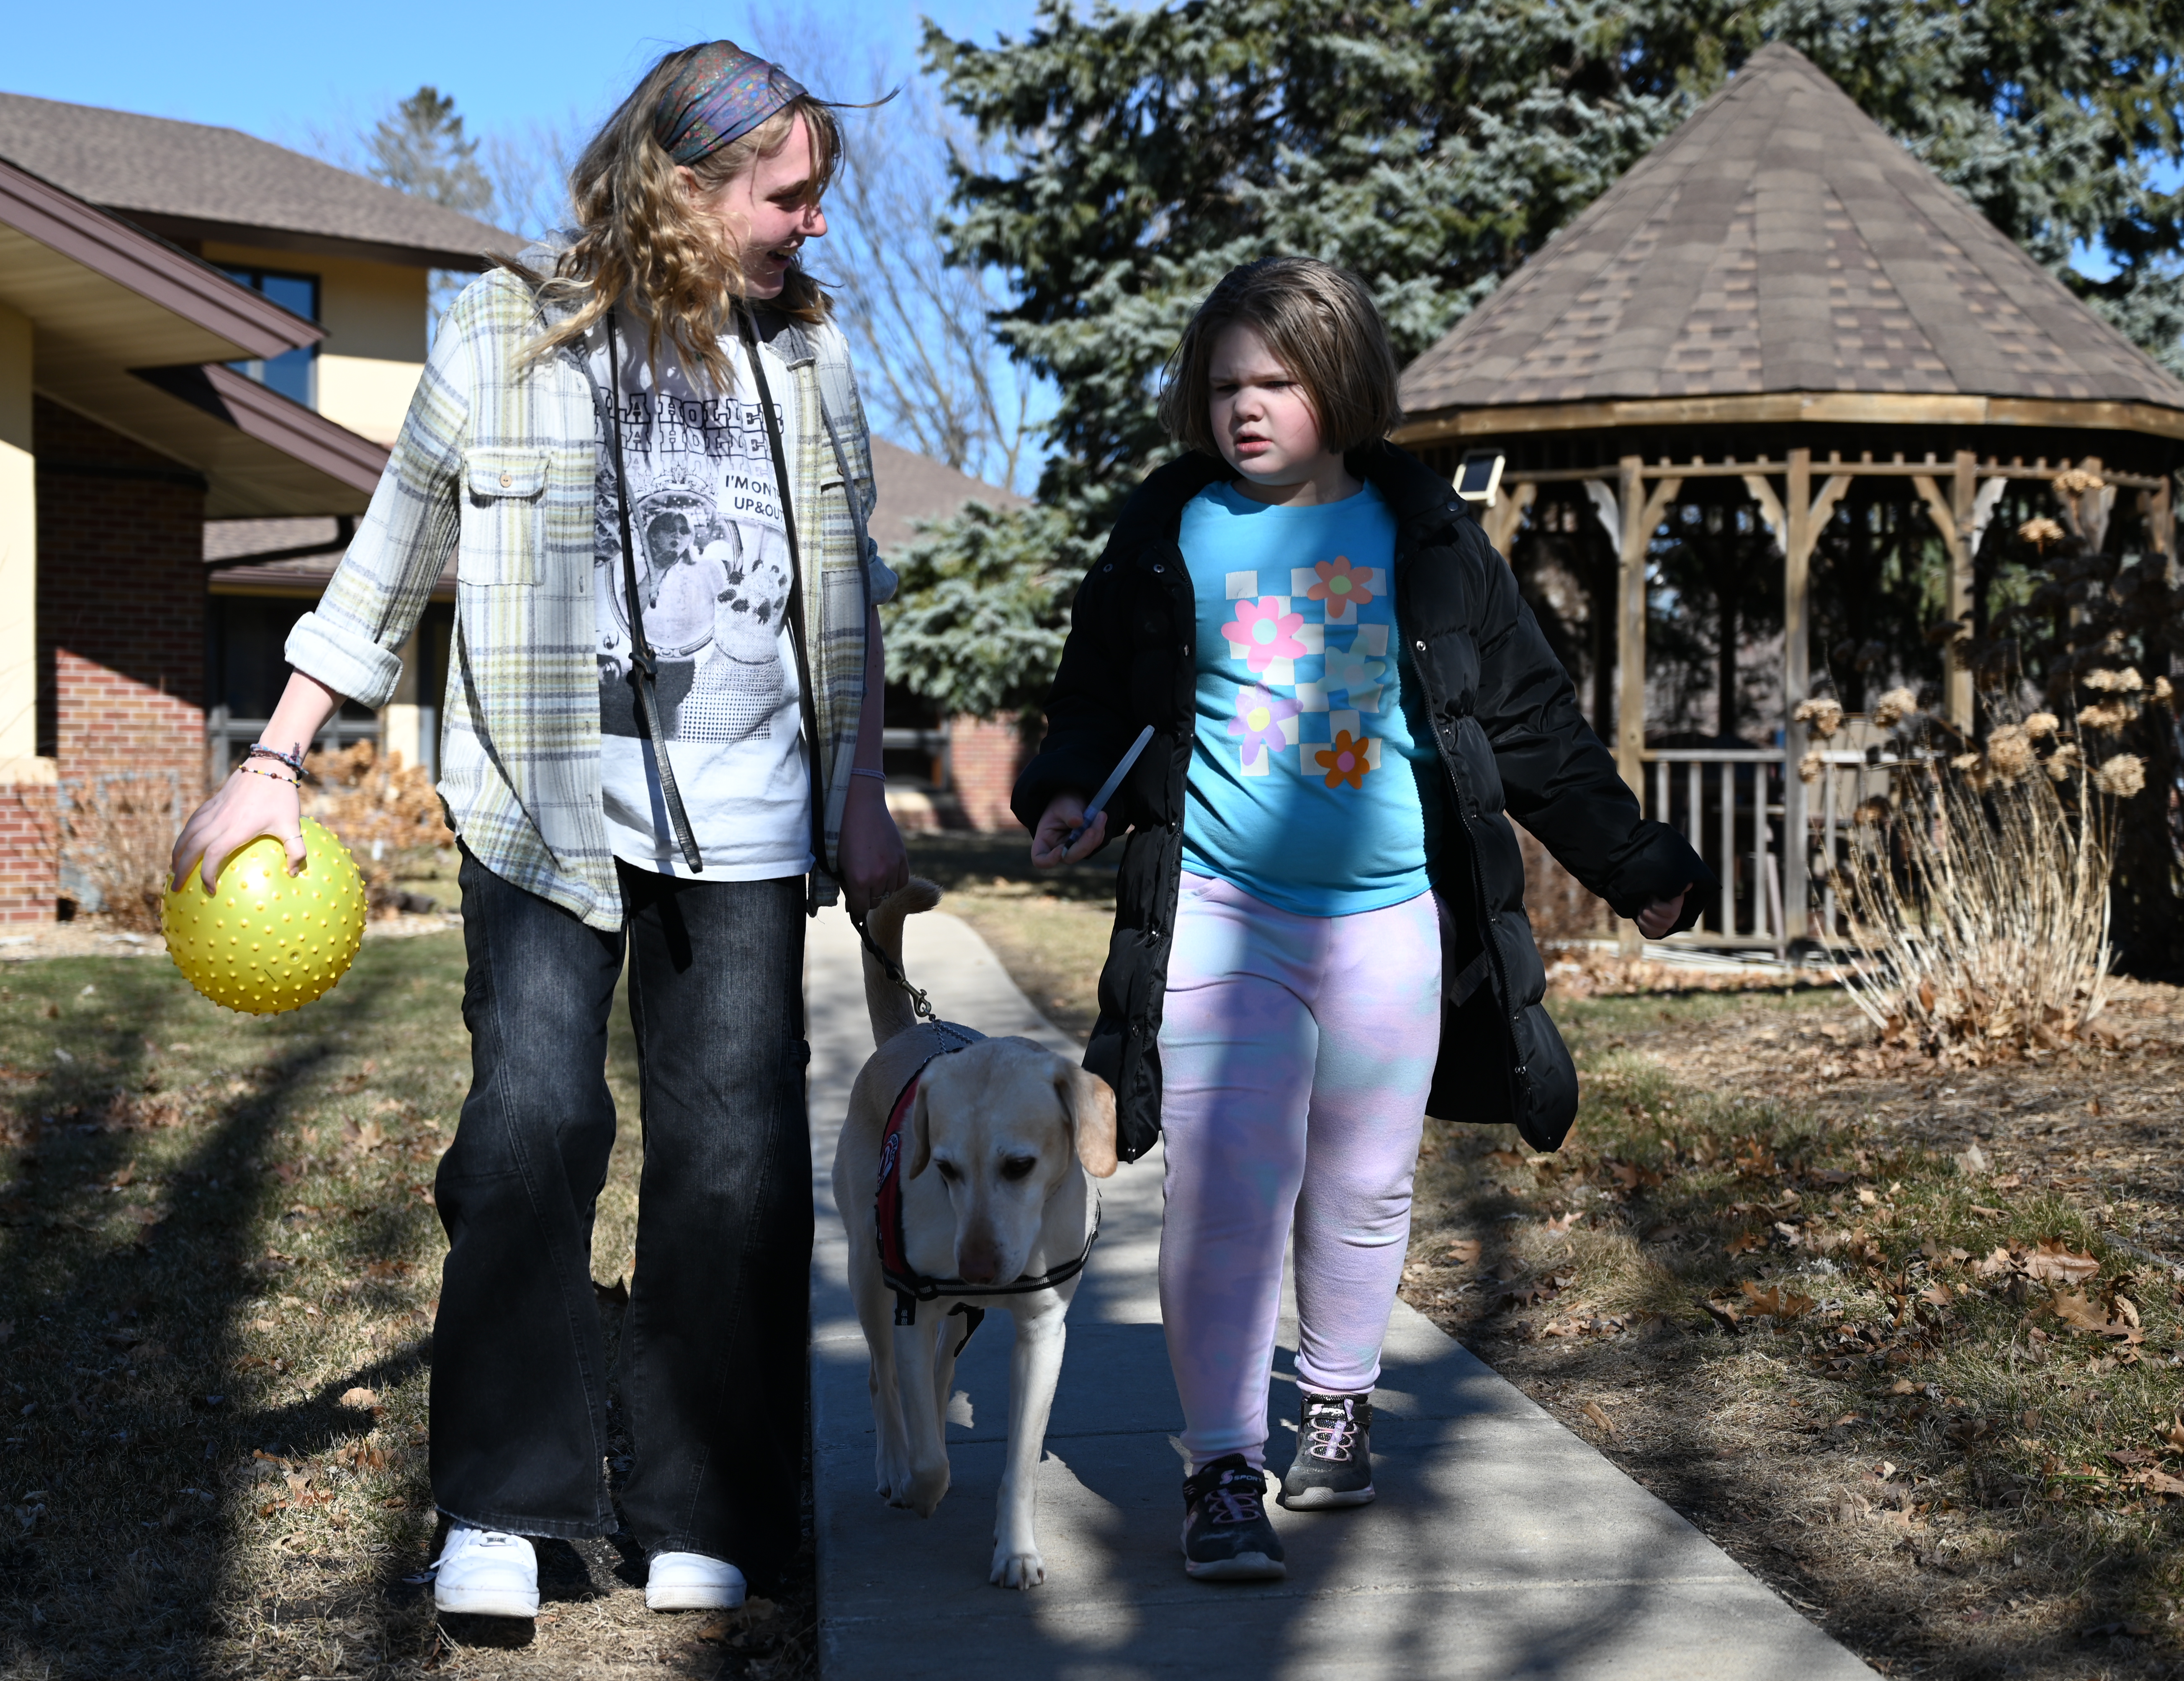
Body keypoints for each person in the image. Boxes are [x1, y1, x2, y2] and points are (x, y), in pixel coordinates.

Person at [168, 41, 906, 1619]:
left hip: (757, 817)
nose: (814, 226)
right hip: (547, 809)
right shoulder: (503, 334)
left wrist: (863, 800)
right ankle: (503, 1503)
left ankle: (706, 1495)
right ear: (685, 187)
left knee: (733, 1161)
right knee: (529, 1131)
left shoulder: (815, 354)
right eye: (788, 196)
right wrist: (274, 761)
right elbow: (390, 555)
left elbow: (847, 601)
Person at [1011, 257, 1710, 1583]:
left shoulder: (1430, 538)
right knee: (1225, 1190)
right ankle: (1219, 1465)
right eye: (1224, 386)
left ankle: (1334, 1404)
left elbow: (1530, 722)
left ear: (1341, 381)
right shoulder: (1169, 531)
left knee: (1366, 1179)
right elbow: (1096, 701)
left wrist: (1632, 860)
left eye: (1277, 381)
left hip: (1389, 919)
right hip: (1219, 911)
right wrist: (1065, 792)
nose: (1247, 409)